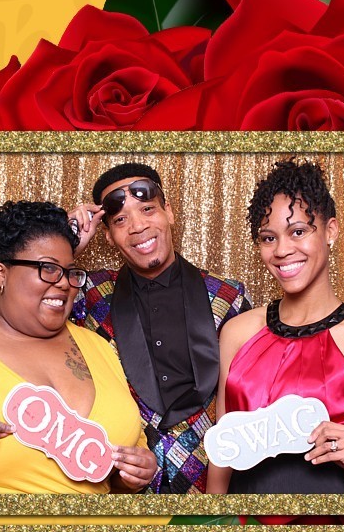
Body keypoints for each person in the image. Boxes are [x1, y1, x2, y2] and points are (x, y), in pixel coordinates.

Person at [0, 200, 156, 493]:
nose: (64, 284)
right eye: (48, 268)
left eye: (69, 272)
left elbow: (115, 476)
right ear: (1, 274)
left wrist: (133, 475)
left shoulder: (100, 348)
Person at [205, 160, 344, 494]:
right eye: (268, 238)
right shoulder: (237, 332)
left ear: (330, 230)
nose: (282, 250)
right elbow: (224, 449)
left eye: (298, 232)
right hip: (247, 514)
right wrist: (212, 516)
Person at [67, 164, 251, 493]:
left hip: (215, 488)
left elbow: (251, 403)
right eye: (120, 220)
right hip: (121, 487)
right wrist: (69, 245)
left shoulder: (228, 297)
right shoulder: (89, 293)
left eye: (148, 209)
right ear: (107, 235)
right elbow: (28, 306)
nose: (138, 226)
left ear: (169, 212)